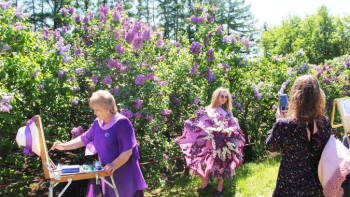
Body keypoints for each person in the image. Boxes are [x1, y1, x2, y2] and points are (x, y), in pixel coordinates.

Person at [51, 90, 147, 197]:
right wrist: (63, 146)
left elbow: (128, 151)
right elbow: (83, 139)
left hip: (124, 175)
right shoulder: (98, 122)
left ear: (107, 109)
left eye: (97, 110)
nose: (94, 113)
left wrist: (113, 165)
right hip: (107, 173)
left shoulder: (122, 123)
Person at [266, 75, 331, 196]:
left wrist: (278, 121)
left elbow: (270, 146)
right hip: (316, 185)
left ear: (296, 96)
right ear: (318, 96)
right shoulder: (325, 123)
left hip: (288, 185)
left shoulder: (284, 125)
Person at [175, 87, 245, 196]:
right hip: (210, 142)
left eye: (226, 97)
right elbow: (200, 123)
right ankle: (205, 183)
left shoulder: (227, 111)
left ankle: (220, 187)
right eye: (222, 96)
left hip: (224, 143)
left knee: (222, 163)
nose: (224, 99)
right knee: (204, 161)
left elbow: (233, 125)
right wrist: (190, 123)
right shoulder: (207, 109)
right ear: (216, 96)